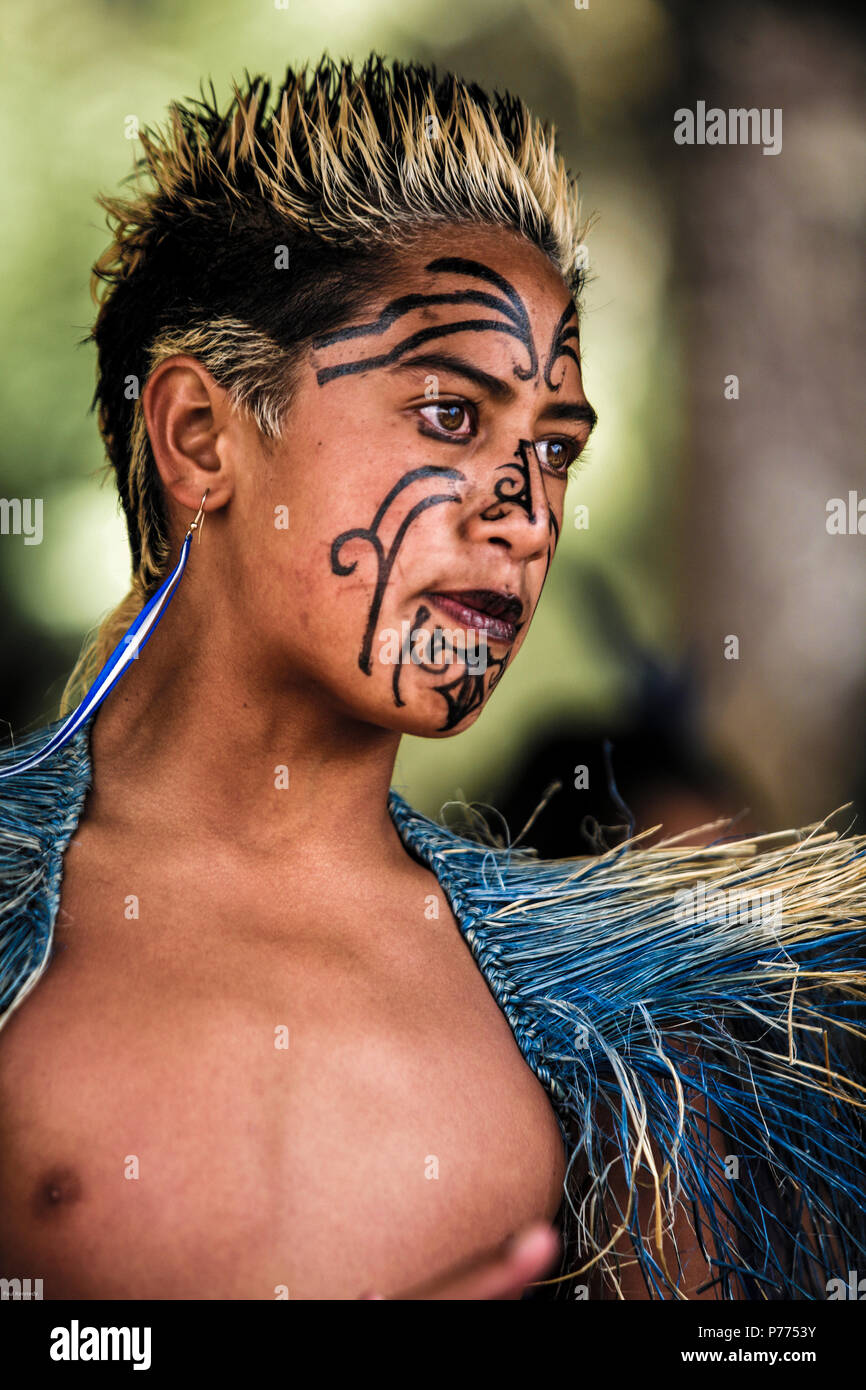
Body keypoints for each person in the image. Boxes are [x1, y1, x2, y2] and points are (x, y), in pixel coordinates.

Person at [1, 57, 864, 1301]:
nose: (524, 514)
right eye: (452, 414)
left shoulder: (617, 1043)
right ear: (199, 435)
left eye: (553, 448)